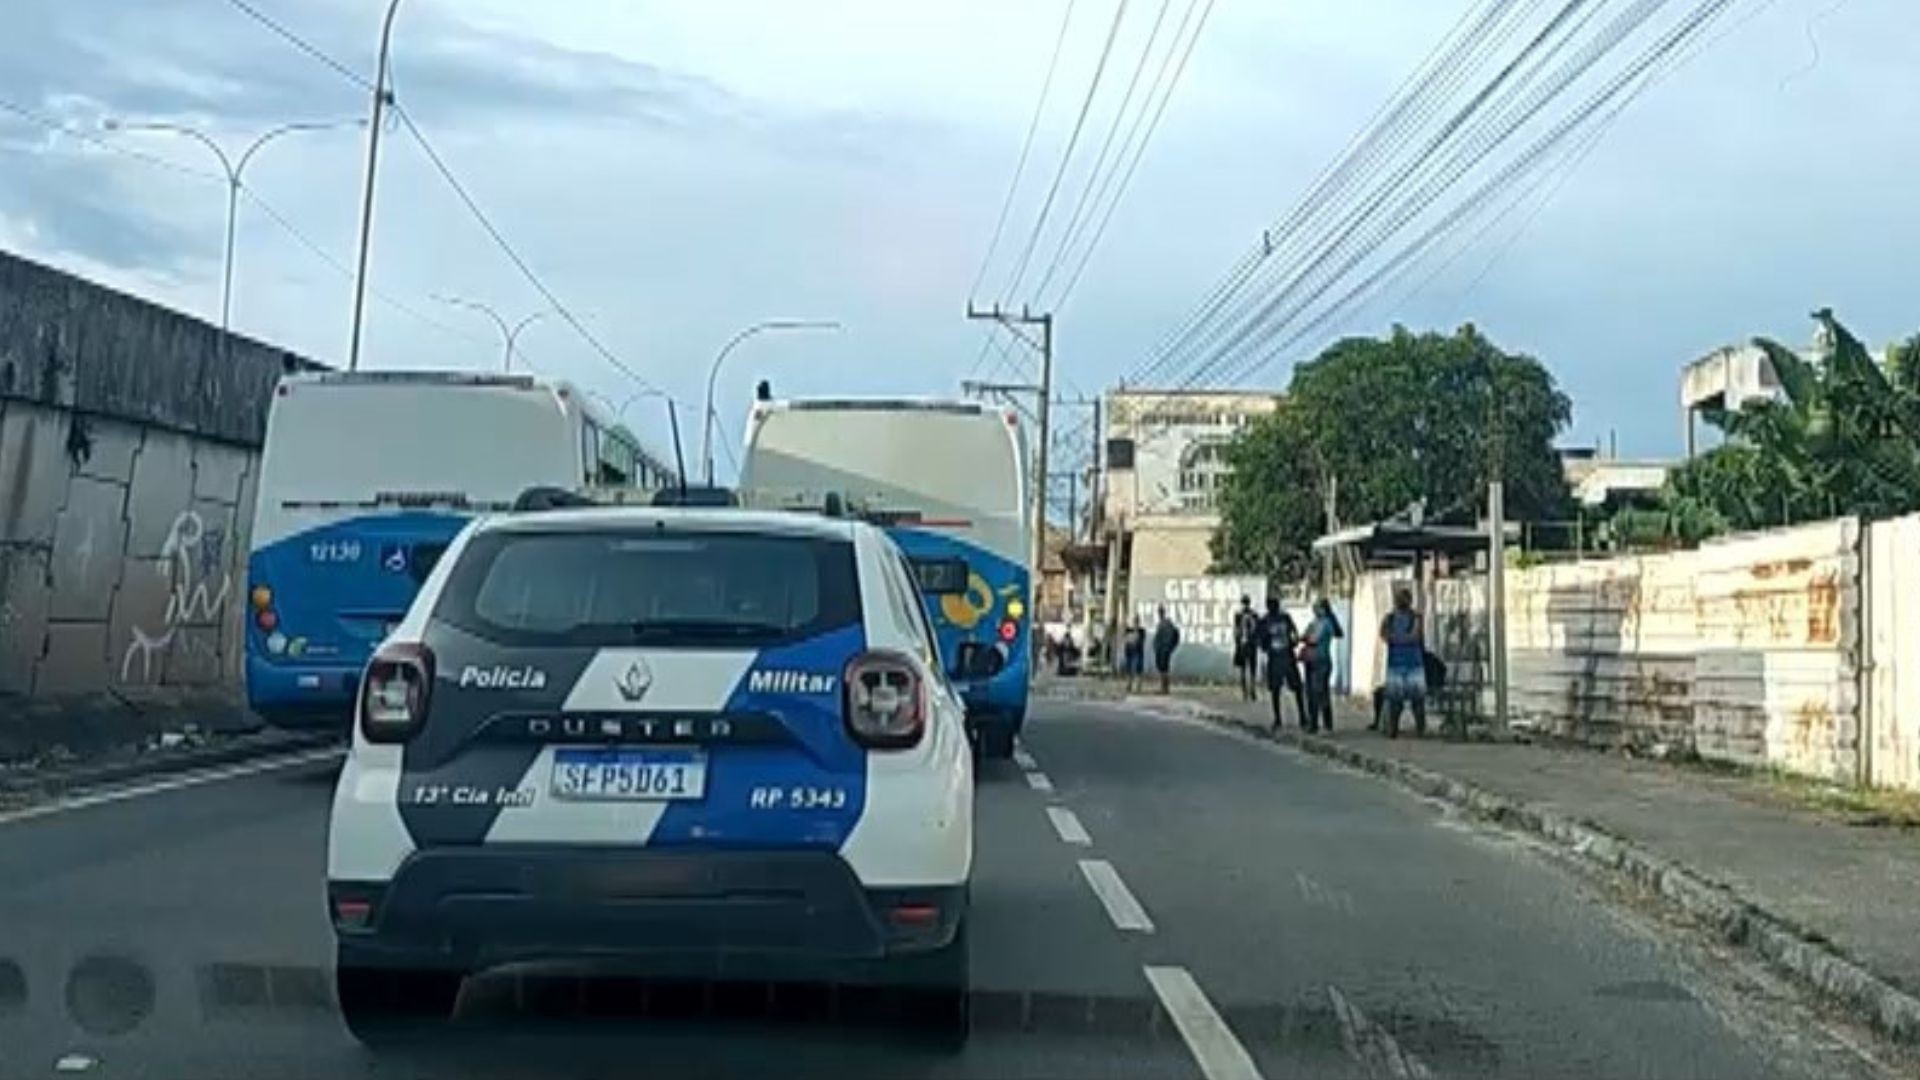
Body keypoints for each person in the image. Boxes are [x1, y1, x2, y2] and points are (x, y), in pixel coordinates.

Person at [1380, 586, 1428, 738]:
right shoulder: (1389, 618)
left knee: (1417, 700)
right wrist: (1403, 639)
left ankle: (1421, 729)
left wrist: (1396, 639)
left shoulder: (1416, 617)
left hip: (1413, 665)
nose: (1401, 601)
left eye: (1404, 598)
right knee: (1395, 701)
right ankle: (1393, 729)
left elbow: (1414, 636)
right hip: (1396, 665)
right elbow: (1385, 635)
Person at [1256, 597, 1305, 730]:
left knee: (1296, 688)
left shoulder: (1283, 618)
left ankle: (1301, 716)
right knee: (1277, 689)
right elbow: (1260, 640)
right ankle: (1280, 718)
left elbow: (1294, 632)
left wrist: (1293, 642)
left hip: (1286, 656)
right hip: (1277, 656)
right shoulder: (1266, 621)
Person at [1299, 597, 1344, 734]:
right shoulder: (1315, 622)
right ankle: (1318, 723)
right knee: (1312, 693)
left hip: (1321, 660)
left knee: (1319, 693)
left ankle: (1320, 723)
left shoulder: (1326, 623)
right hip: (1311, 660)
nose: (1314, 609)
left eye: (1317, 607)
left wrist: (1305, 638)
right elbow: (1304, 636)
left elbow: (1312, 639)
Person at [1231, 595, 1260, 702]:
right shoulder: (1252, 615)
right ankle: (1250, 691)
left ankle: (1247, 691)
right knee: (1250, 668)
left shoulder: (1240, 615)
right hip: (1249, 644)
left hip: (1245, 644)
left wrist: (1237, 642)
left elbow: (1237, 630)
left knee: (1246, 669)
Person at [1151, 606, 1181, 694]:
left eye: (1160, 612)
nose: (1159, 614)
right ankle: (1163, 687)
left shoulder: (1167, 623)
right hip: (1160, 649)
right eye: (1159, 612)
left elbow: (1173, 635)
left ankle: (1165, 688)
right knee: (1161, 669)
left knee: (1164, 669)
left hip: (1165, 649)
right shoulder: (1160, 623)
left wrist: (1169, 647)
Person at [1122, 618, 1147, 692]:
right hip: (1129, 652)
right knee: (1129, 669)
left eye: (1137, 622)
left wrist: (1133, 638)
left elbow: (1141, 640)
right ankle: (1129, 684)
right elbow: (1125, 639)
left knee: (1138, 669)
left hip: (1138, 652)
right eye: (1134, 622)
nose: (1135, 624)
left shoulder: (1141, 631)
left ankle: (1138, 685)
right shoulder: (1129, 630)